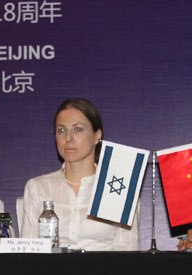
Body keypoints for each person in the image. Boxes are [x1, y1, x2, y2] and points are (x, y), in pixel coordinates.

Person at [20, 98, 139, 251]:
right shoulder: (38, 187)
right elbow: (28, 254)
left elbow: (127, 253)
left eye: (78, 129)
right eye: (61, 130)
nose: (68, 138)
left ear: (97, 136)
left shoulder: (118, 185)